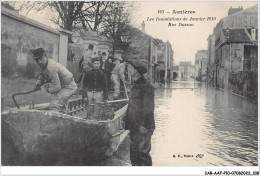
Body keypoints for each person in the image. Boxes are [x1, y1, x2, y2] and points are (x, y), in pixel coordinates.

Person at [125, 59, 155, 166]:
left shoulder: (146, 86)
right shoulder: (135, 85)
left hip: (143, 127)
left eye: (130, 67)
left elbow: (148, 109)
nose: (128, 69)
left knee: (143, 155)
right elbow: (132, 106)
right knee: (134, 155)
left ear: (136, 70)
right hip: (134, 127)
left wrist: (143, 126)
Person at [33, 48, 77, 112]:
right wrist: (38, 83)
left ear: (45, 56)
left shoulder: (51, 67)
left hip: (68, 86)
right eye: (37, 60)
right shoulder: (44, 65)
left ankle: (53, 120)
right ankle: (63, 120)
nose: (39, 62)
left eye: (41, 58)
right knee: (62, 106)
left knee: (54, 104)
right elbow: (42, 75)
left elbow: (57, 87)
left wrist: (48, 90)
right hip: (63, 86)